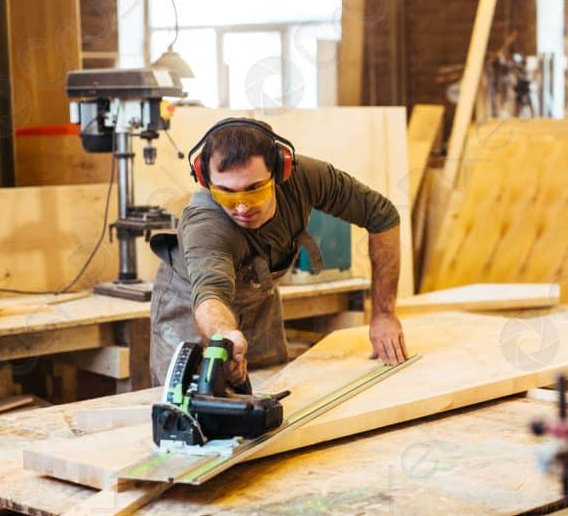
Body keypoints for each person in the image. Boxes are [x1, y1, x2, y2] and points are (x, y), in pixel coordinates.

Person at [149, 117, 408, 389]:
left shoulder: (306, 178)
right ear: (206, 179)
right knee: (188, 402)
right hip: (192, 304)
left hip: (259, 298)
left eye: (254, 190)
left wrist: (384, 313)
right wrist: (225, 337)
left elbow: (382, 216)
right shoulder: (206, 224)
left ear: (280, 170)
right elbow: (209, 295)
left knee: (272, 392)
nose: (241, 208)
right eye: (226, 193)